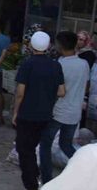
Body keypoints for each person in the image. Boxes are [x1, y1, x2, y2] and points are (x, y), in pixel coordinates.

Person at [13, 31, 65, 190]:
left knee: (24, 149)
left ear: (31, 45)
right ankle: (34, 173)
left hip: (27, 114)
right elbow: (61, 92)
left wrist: (16, 112)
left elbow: (20, 92)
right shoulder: (56, 65)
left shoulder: (27, 64)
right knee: (33, 145)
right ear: (48, 46)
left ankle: (31, 183)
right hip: (45, 115)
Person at [39, 31, 90, 185]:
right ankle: (85, 169)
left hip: (58, 111)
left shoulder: (59, 65)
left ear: (60, 45)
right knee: (66, 144)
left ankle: (47, 178)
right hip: (74, 112)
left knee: (45, 144)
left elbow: (54, 90)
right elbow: (87, 86)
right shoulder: (84, 64)